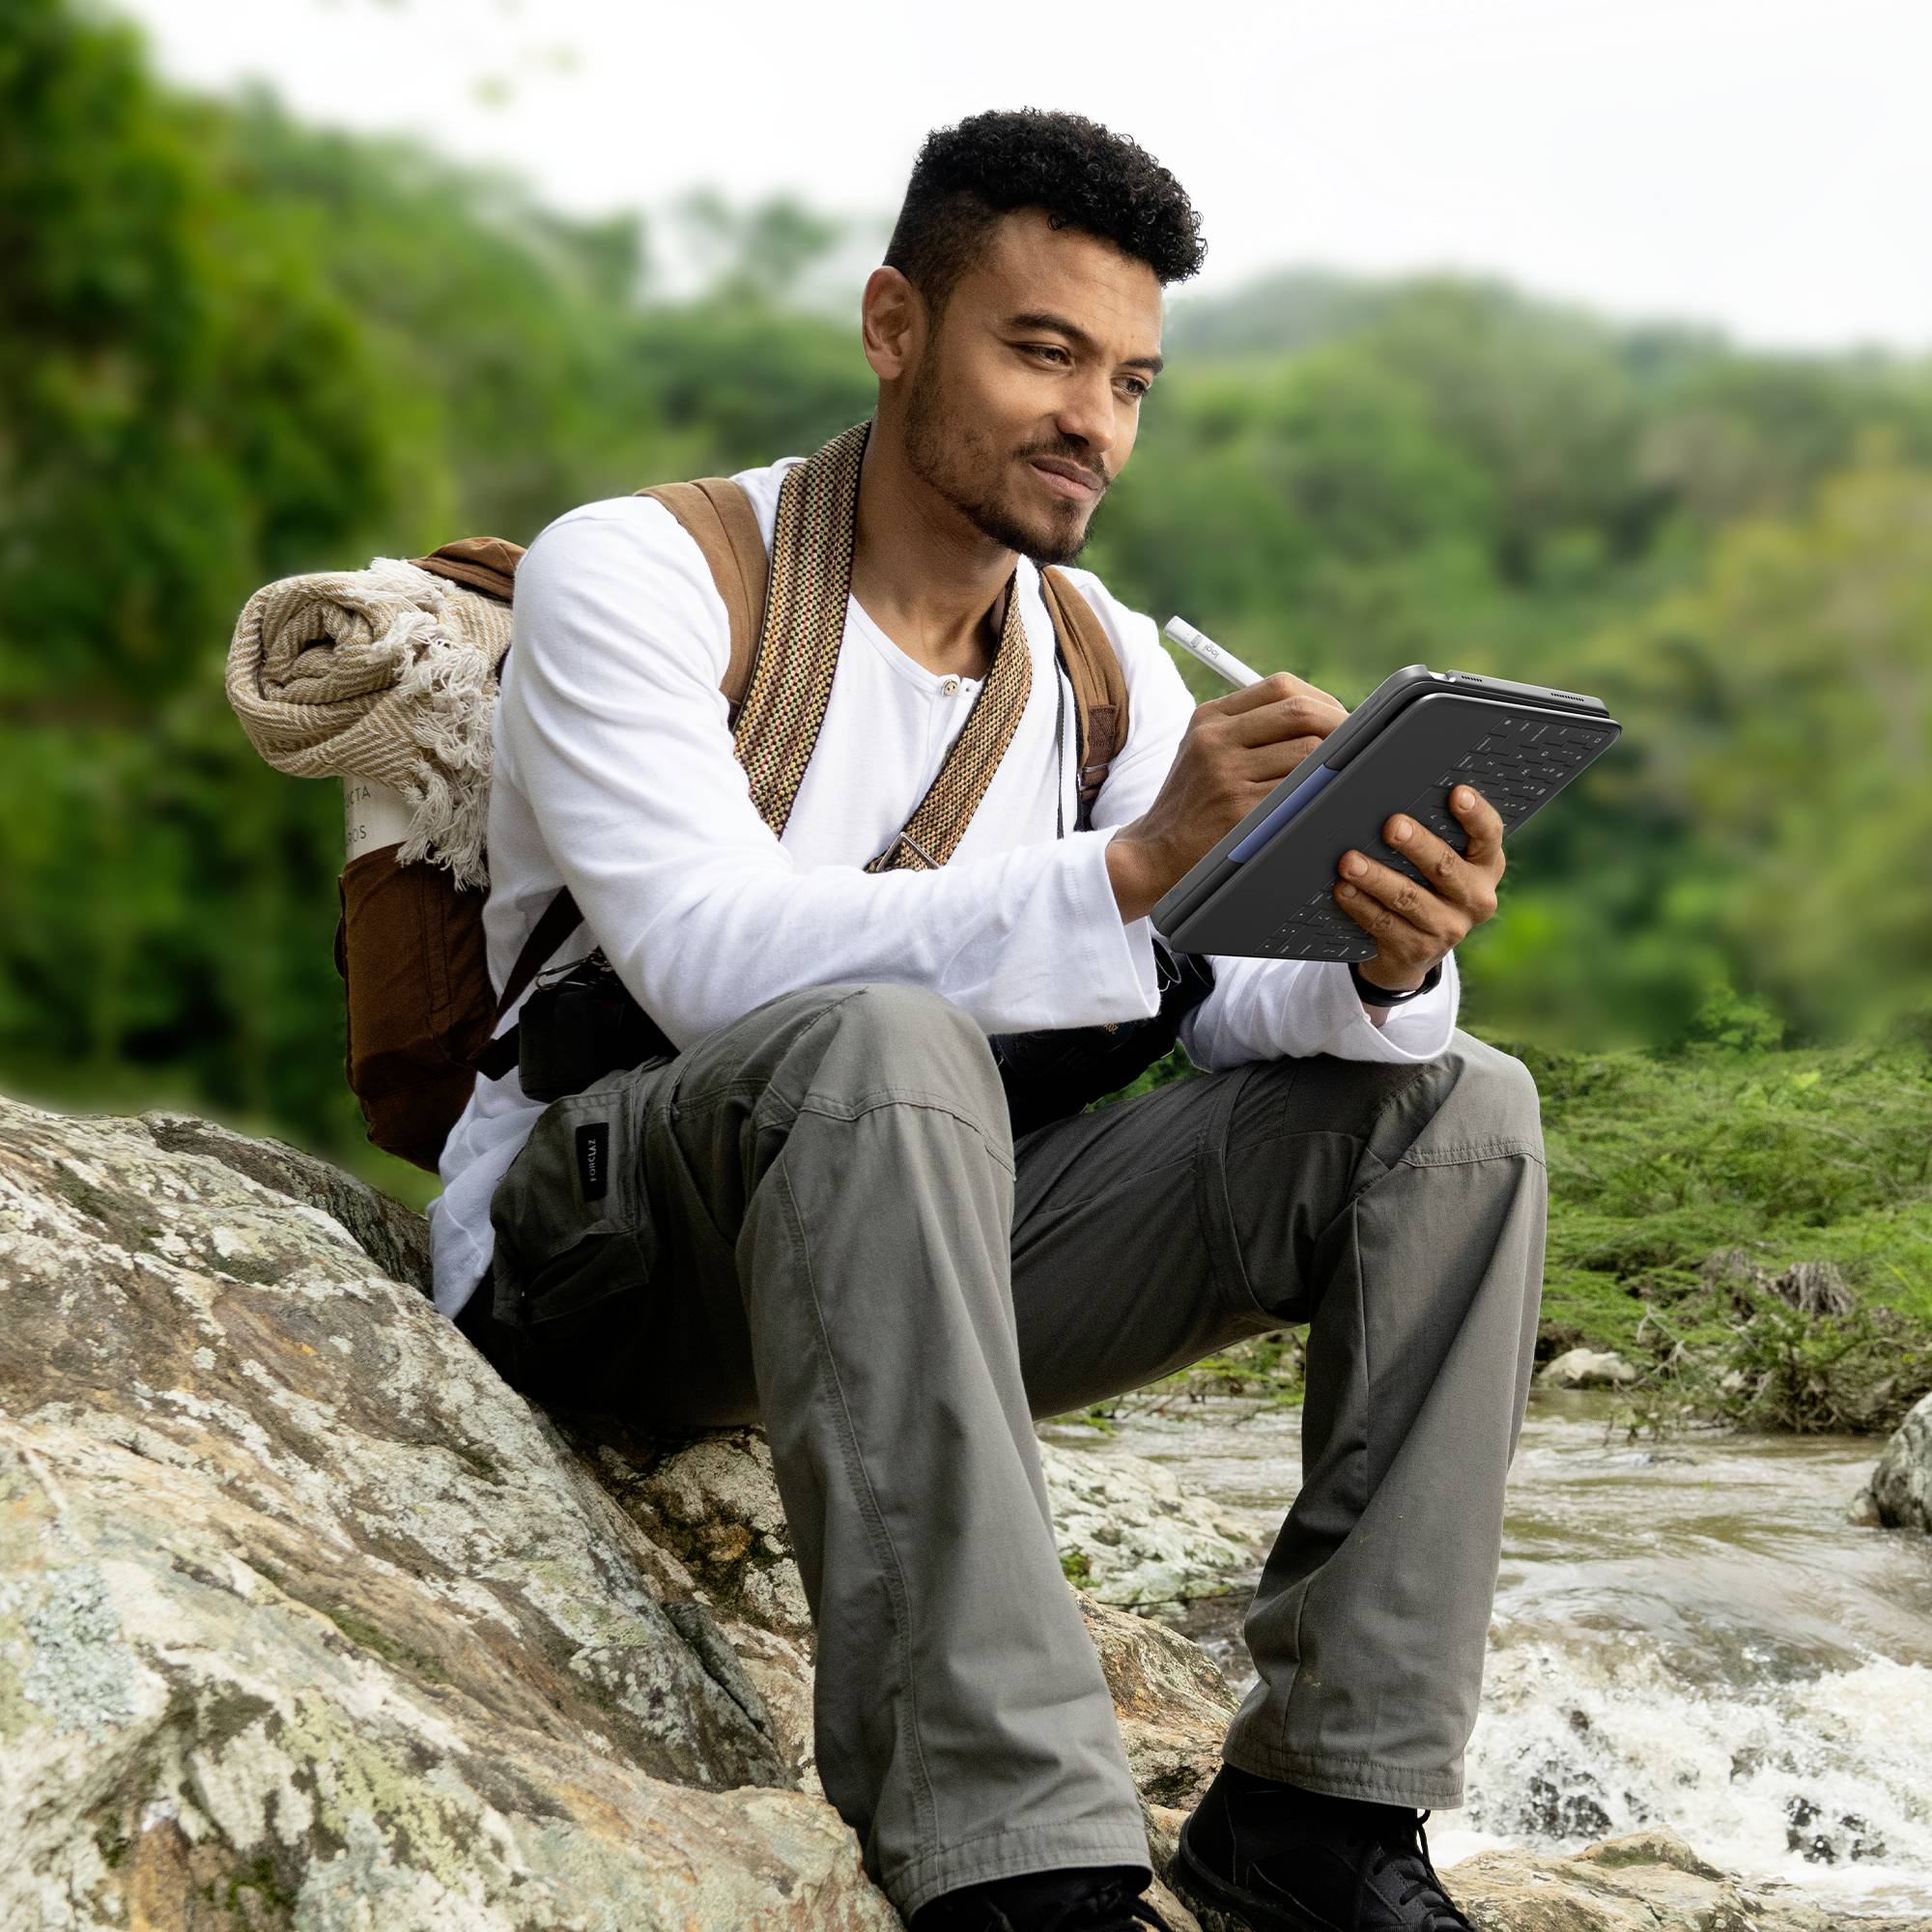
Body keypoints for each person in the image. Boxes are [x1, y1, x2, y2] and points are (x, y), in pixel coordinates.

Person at [433, 107, 1546, 1932]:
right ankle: (1018, 1866)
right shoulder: (639, 571)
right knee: (883, 1047)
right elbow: (706, 958)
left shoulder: (1095, 654)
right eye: (1040, 351)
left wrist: (1383, 952)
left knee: (1458, 1107)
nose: (1090, 422)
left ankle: (1319, 1822)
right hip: (606, 1254)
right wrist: (1139, 866)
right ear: (893, 327)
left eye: (1130, 381)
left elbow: (1228, 996)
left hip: (924, 1248)